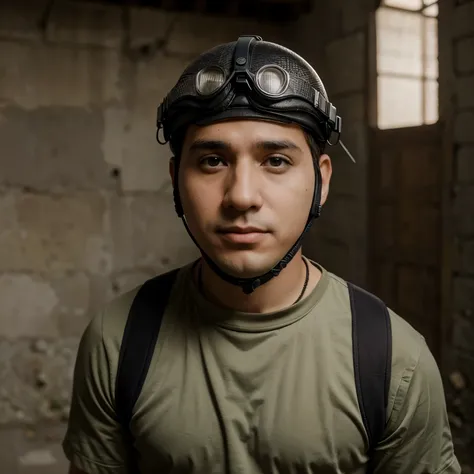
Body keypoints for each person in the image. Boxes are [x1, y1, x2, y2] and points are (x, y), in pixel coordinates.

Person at [63, 35, 460, 474]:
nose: (242, 197)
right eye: (213, 161)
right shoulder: (118, 342)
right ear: (176, 179)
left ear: (321, 181)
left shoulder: (392, 360)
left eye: (275, 161)